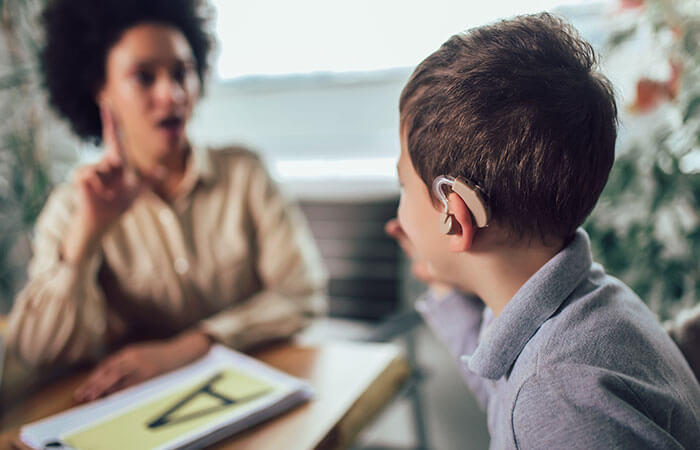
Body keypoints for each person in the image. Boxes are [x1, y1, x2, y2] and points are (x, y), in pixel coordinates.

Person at [386, 13, 700, 449]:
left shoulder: (559, 396)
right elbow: (504, 394)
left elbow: (531, 403)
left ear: (454, 217)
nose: (399, 210)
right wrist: (444, 285)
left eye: (404, 183)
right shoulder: (583, 307)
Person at [6, 0, 326, 402]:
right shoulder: (75, 206)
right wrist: (88, 234)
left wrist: (192, 346)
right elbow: (37, 350)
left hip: (252, 390)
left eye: (182, 72)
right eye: (144, 77)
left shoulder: (245, 173)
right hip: (137, 407)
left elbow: (303, 293)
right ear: (100, 90)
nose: (172, 94)